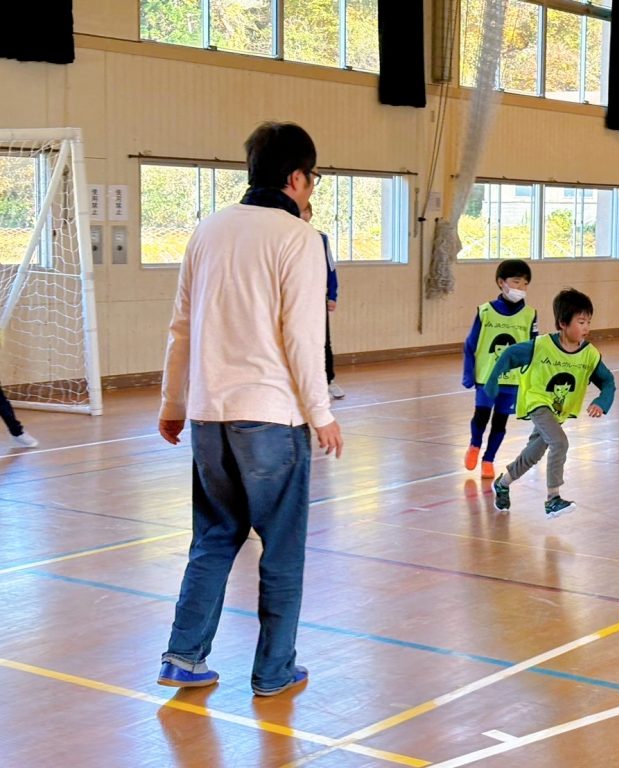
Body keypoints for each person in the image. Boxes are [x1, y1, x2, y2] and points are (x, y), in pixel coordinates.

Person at [157, 122, 343, 697]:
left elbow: (181, 327)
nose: (310, 194)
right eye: (312, 182)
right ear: (296, 178)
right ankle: (274, 669)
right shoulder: (299, 239)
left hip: (209, 416)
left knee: (214, 537)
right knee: (282, 547)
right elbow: (302, 336)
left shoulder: (208, 230)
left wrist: (173, 402)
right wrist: (322, 411)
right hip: (272, 418)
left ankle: (183, 657)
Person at [486, 288, 615, 518]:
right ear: (563, 323)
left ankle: (503, 483)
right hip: (537, 402)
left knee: (534, 453)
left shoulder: (589, 354)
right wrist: (493, 382)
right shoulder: (540, 346)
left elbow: (607, 381)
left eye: (589, 322)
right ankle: (553, 498)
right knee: (559, 442)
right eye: (581, 321)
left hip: (558, 411)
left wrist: (601, 401)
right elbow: (508, 355)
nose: (586, 327)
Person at [462, 259, 538, 479]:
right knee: (481, 415)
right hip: (487, 376)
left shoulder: (530, 315)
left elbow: (533, 348)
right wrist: (468, 372)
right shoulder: (485, 311)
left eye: (525, 284)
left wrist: (531, 378)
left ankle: (489, 459)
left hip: (513, 380)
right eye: (516, 282)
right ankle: (475, 445)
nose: (520, 288)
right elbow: (471, 344)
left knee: (500, 421)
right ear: (501, 283)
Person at [301, 201, 344, 399]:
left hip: (317, 298)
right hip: (296, 299)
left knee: (323, 341)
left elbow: (330, 269)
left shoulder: (320, 238)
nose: (303, 215)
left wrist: (332, 295)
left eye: (306, 211)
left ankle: (329, 380)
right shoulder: (284, 237)